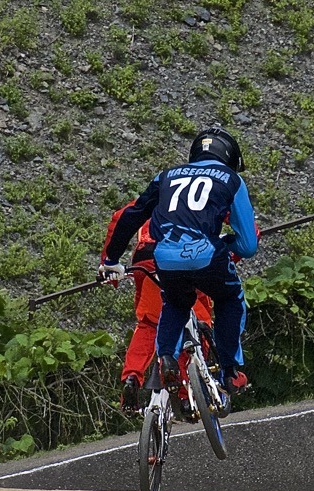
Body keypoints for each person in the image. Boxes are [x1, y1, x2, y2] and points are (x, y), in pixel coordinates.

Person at [100, 126, 259, 399]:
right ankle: (230, 372)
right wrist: (226, 247)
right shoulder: (231, 180)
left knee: (171, 305)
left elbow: (129, 215)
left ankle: (165, 358)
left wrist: (110, 260)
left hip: (160, 257)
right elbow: (248, 244)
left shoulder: (166, 176)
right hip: (204, 255)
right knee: (230, 300)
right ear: (230, 157)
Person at [99, 201, 214, 415]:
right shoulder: (197, 197)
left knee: (149, 323)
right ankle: (184, 395)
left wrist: (108, 263)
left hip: (146, 258)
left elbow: (119, 218)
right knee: (195, 322)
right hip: (184, 254)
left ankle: (132, 376)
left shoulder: (152, 197)